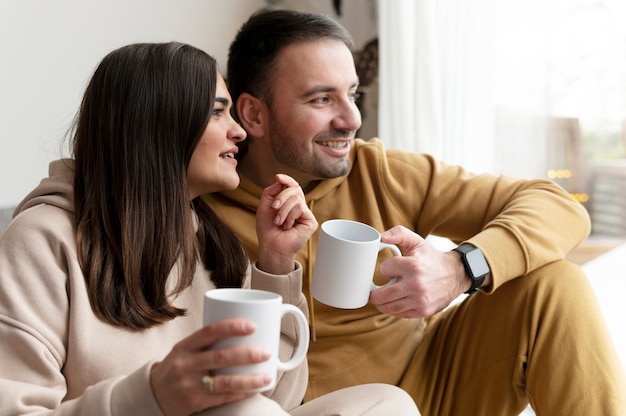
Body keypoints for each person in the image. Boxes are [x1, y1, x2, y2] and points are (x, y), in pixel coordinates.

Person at [204, 9, 626, 415]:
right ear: (254, 114)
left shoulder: (381, 172)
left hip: (435, 389)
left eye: (352, 94)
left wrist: (462, 267)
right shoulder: (200, 206)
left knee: (554, 282)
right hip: (307, 407)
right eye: (321, 99)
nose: (351, 118)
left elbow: (556, 206)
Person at [0, 42, 420, 415]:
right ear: (160, 124)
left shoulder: (214, 242)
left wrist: (275, 264)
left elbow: (281, 399)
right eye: (218, 112)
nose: (239, 131)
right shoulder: (42, 241)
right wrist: (150, 396)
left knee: (388, 403)